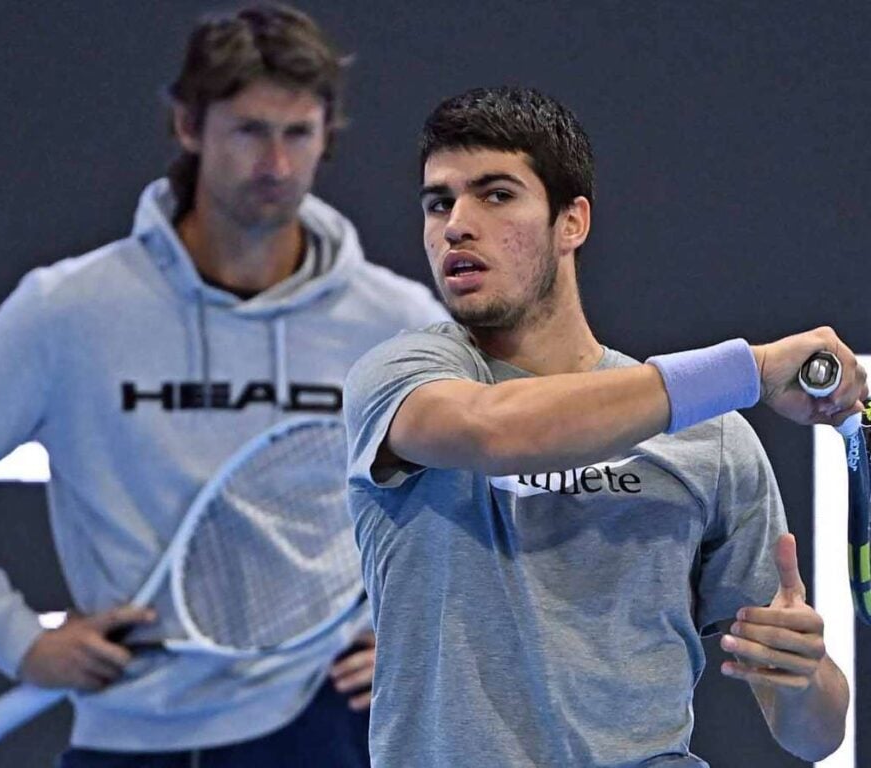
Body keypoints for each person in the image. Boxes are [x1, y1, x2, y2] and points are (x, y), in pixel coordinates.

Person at [0, 5, 446, 767]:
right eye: (248, 130)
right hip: (133, 732)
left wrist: (421, 633)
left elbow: (480, 495)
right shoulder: (70, 309)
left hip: (324, 725)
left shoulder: (396, 320)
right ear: (188, 126)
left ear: (325, 137)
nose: (274, 164)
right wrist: (17, 641)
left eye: (297, 133)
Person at [343, 85, 867, 767]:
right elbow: (496, 434)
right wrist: (751, 368)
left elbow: (815, 733)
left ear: (572, 222)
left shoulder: (709, 438)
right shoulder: (401, 380)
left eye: (496, 194)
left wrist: (801, 673)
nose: (456, 225)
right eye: (439, 202)